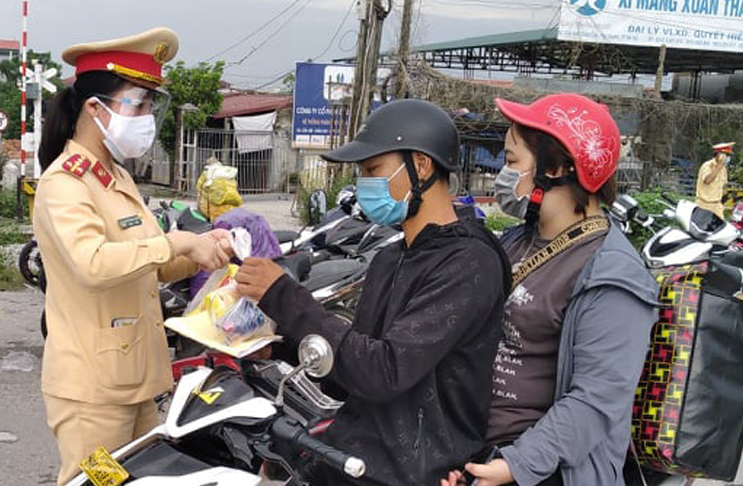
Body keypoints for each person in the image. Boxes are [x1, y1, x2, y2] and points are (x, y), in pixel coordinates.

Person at [235, 99, 511, 486]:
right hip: (358, 456)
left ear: (420, 166)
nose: (364, 183)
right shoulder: (392, 257)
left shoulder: (468, 264)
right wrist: (279, 345)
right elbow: (350, 372)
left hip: (413, 471)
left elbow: (383, 372)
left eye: (372, 170)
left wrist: (283, 295)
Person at [33, 27, 233, 485]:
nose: (146, 117)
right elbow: (94, 263)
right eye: (138, 104)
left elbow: (154, 264)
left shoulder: (114, 179)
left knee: (144, 481)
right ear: (94, 109)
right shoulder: (65, 184)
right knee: (96, 482)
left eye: (150, 106)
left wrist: (204, 252)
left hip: (136, 380)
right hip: (93, 392)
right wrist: (177, 241)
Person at [442, 93, 658, 486]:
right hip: (471, 449)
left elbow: (596, 400)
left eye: (511, 162)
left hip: (544, 468)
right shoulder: (514, 242)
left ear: (556, 167)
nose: (500, 176)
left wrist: (514, 466)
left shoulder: (613, 275)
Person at [695, 142, 735, 219]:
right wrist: (718, 166)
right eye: (726, 155)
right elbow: (707, 181)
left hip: (717, 206)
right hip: (704, 205)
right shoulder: (708, 165)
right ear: (719, 155)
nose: (728, 158)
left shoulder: (723, 168)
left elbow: (723, 186)